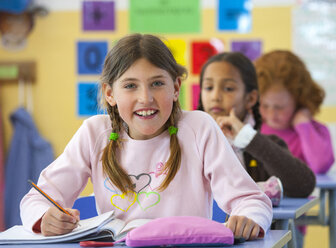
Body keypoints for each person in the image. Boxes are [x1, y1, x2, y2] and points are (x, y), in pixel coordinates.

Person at [20, 34, 272, 240]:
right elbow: (36, 199)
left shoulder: (198, 127)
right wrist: (45, 218)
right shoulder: (95, 132)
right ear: (110, 93)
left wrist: (248, 217)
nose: (146, 98)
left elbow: (250, 199)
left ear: (175, 88)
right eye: (130, 86)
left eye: (157, 84)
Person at [197, 52, 316, 201]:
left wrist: (247, 138)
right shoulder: (188, 141)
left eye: (228, 88)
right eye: (208, 87)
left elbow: (303, 186)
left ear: (251, 98)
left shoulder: (262, 145)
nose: (215, 96)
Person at [254, 50, 334, 174]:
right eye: (264, 105)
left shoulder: (314, 131)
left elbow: (321, 166)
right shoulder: (252, 128)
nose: (271, 115)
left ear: (299, 100)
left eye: (279, 107)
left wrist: (304, 127)